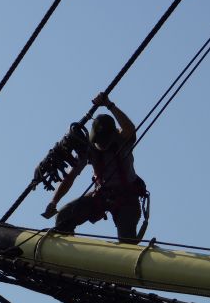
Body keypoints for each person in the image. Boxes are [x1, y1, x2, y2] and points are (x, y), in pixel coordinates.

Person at [42, 92, 147, 244]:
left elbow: (130, 128)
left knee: (127, 239)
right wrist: (54, 202)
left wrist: (110, 105)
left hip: (127, 198)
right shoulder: (89, 150)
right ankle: (68, 251)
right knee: (63, 217)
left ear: (113, 135)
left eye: (105, 141)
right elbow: (70, 177)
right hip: (101, 196)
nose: (102, 145)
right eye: (99, 141)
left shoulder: (122, 140)